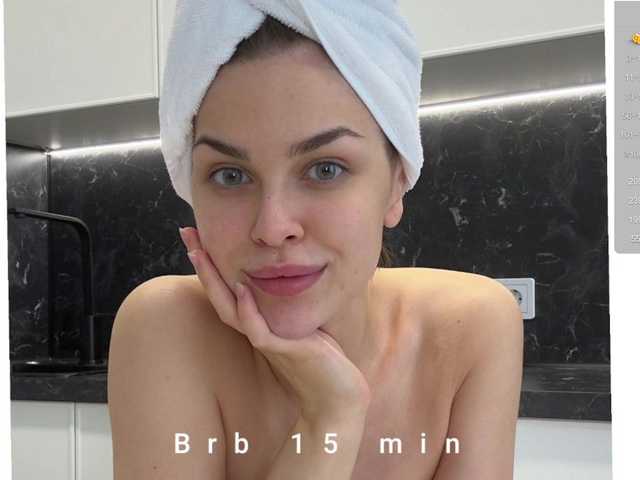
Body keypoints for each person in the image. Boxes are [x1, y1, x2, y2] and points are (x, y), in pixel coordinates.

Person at [107, 11, 524, 480]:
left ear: (396, 183)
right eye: (230, 175)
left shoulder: (469, 328)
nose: (272, 227)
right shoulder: (168, 327)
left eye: (326, 169)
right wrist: (331, 414)